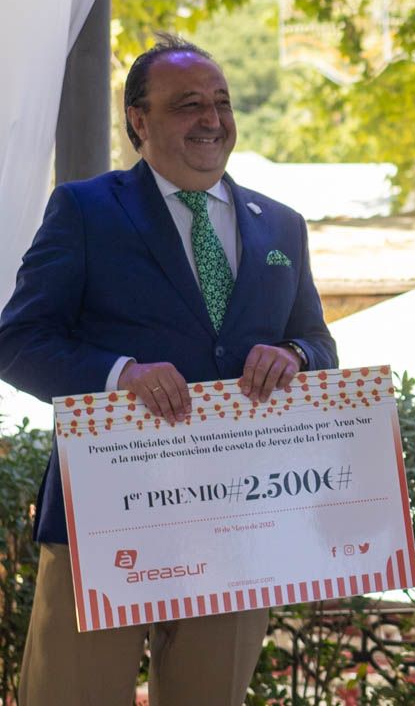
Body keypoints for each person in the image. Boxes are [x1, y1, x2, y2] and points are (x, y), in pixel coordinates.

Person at [0, 35, 336, 705]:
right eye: (188, 105)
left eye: (221, 102)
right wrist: (118, 373)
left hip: (240, 518)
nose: (212, 120)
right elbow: (18, 340)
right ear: (138, 121)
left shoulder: (283, 228)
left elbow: (318, 343)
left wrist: (295, 356)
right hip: (106, 515)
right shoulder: (86, 210)